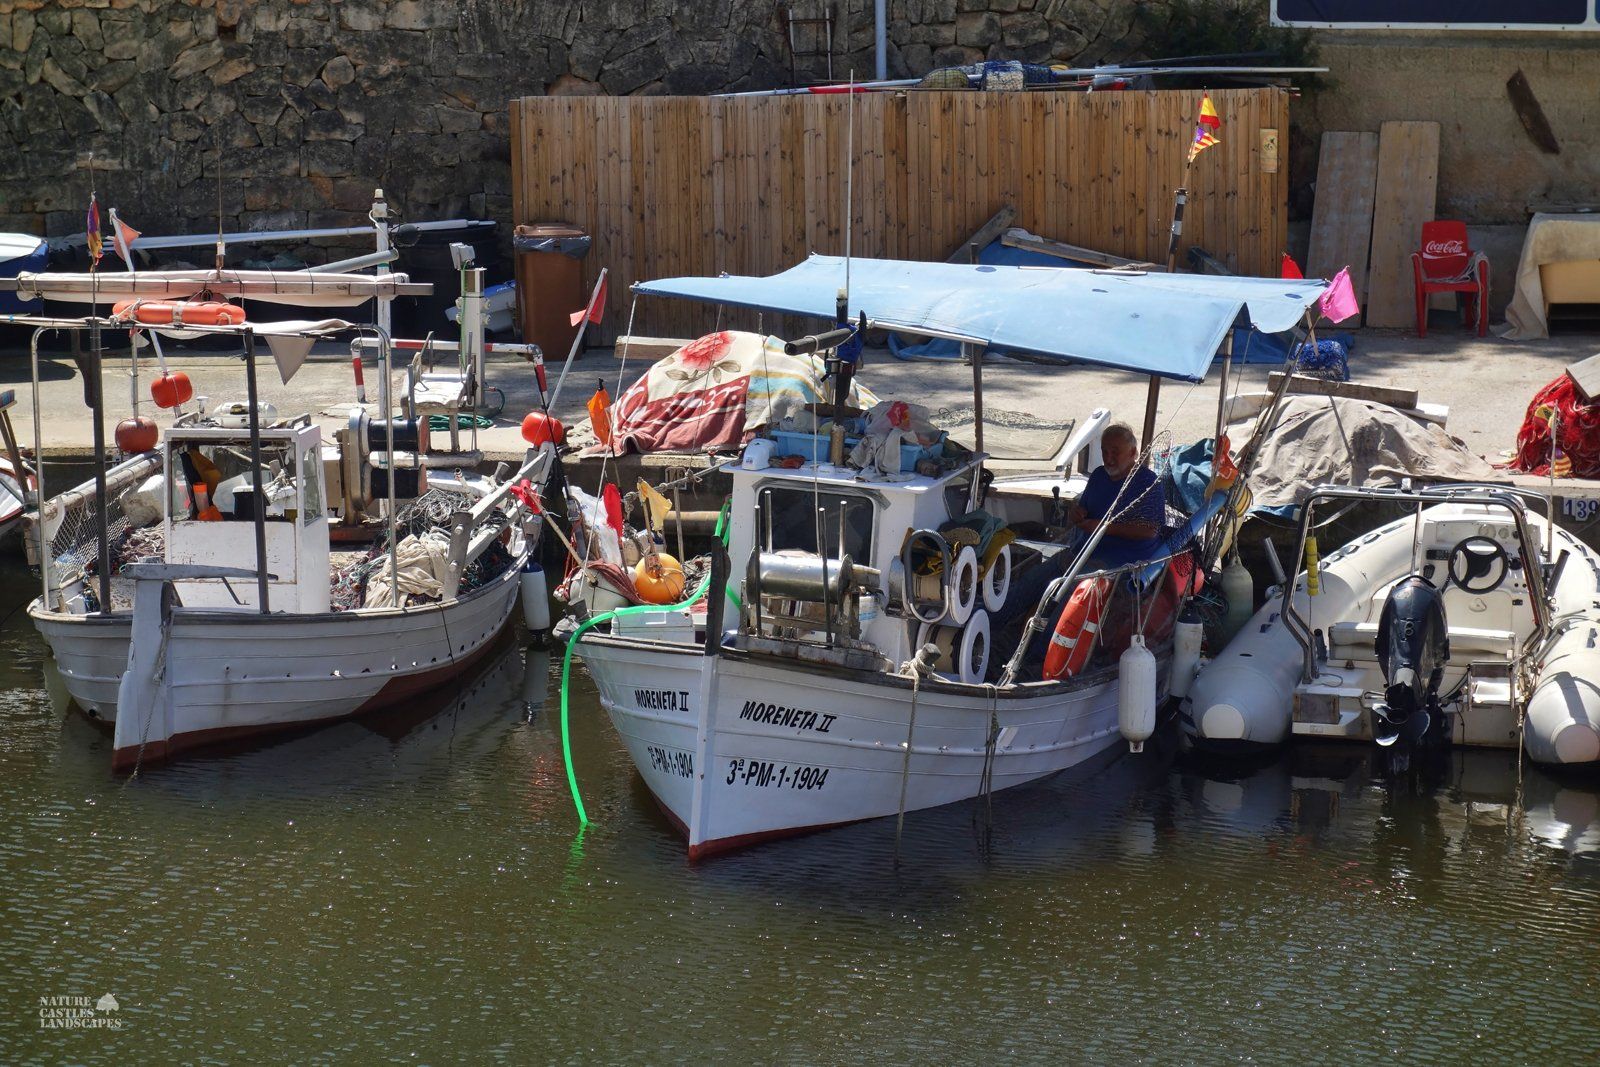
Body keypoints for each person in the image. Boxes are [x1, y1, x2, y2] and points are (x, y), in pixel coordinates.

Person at [1068, 422, 1165, 567]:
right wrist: (1077, 513)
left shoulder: (1148, 482)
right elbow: (1083, 509)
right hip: (1084, 552)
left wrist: (1104, 528)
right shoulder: (1098, 475)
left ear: (1132, 453)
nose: (1108, 458)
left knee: (1068, 587)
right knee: (1033, 580)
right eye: (1104, 452)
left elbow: (1150, 531)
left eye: (1115, 452)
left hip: (1123, 563)